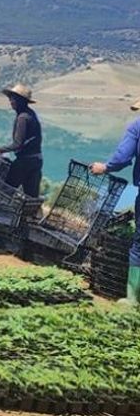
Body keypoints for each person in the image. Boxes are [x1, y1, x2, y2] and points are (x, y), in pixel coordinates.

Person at [90, 97, 140, 306]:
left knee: (139, 246)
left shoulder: (137, 125)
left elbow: (122, 158)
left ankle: (133, 299)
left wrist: (105, 167)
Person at [0, 84, 43, 197]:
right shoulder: (30, 114)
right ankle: (31, 214)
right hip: (36, 160)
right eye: (10, 98)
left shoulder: (23, 118)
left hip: (25, 162)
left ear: (21, 101)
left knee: (5, 191)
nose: (11, 101)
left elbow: (17, 144)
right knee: (30, 196)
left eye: (14, 98)